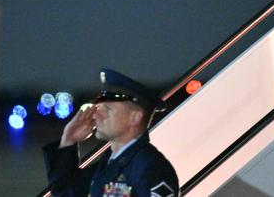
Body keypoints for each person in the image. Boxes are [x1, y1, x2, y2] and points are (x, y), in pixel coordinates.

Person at [43, 68, 179, 197]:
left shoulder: (151, 168)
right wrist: (68, 140)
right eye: (98, 108)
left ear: (135, 117)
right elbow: (67, 193)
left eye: (107, 109)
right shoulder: (110, 162)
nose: (96, 116)